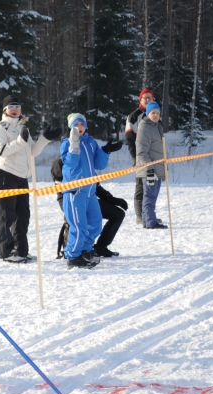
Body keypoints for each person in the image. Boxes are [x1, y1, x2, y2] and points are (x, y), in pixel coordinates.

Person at [0, 95, 62, 263]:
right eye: (11, 107)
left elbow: (32, 151)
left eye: (17, 106)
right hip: (5, 174)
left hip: (22, 176)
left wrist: (46, 138)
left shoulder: (23, 128)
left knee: (23, 215)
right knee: (6, 215)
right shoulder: (0, 128)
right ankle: (6, 252)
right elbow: (1, 151)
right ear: (5, 110)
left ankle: (21, 250)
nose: (14, 109)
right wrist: (20, 141)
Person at [59, 113, 121, 269]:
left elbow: (99, 165)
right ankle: (73, 256)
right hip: (75, 193)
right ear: (70, 128)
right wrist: (74, 144)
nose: (79, 128)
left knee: (95, 224)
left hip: (90, 193)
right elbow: (71, 163)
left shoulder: (91, 143)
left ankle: (85, 250)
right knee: (79, 226)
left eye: (81, 124)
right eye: (75, 125)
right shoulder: (66, 144)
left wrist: (106, 150)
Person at [51, 158, 128, 258]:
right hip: (69, 199)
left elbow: (95, 186)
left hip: (89, 199)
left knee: (118, 214)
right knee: (79, 220)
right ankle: (71, 249)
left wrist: (111, 199)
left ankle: (101, 247)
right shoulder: (60, 162)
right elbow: (61, 189)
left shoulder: (86, 159)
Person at [125, 88, 156, 225]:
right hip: (140, 156)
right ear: (141, 100)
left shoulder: (155, 114)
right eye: (145, 98)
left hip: (154, 157)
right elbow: (130, 139)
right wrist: (135, 157)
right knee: (140, 185)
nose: (148, 100)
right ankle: (140, 216)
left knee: (152, 185)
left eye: (150, 98)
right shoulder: (134, 116)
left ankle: (148, 214)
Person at [136, 102, 168, 229]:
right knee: (149, 196)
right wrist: (149, 169)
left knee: (153, 196)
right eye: (153, 113)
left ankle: (148, 219)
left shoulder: (157, 127)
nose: (155, 115)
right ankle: (150, 222)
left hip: (158, 168)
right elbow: (141, 151)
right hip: (149, 170)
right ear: (148, 113)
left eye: (157, 113)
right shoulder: (145, 127)